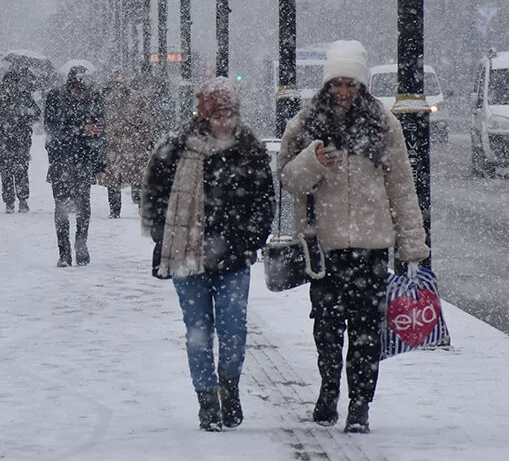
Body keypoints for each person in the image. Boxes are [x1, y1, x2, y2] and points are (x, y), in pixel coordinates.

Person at [277, 40, 429, 434]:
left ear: (361, 85)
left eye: (351, 84)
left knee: (365, 330)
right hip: (324, 247)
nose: (343, 91)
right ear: (327, 84)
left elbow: (401, 186)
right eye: (337, 84)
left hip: (371, 245)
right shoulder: (305, 122)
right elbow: (288, 179)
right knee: (326, 328)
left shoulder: (383, 123)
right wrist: (313, 160)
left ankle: (360, 404)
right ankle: (329, 391)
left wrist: (412, 241)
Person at [140, 78, 274, 431]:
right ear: (204, 115)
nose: (224, 122)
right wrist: (164, 235)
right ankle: (207, 400)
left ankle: (229, 389)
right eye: (217, 115)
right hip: (188, 256)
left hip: (233, 258)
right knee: (197, 332)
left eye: (229, 114)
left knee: (234, 330)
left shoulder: (250, 150)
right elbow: (154, 195)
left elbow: (264, 201)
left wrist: (250, 240)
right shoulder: (176, 148)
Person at [44, 66, 105, 267]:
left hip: (83, 161)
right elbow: (52, 130)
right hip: (61, 160)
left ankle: (81, 246)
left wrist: (100, 165)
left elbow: (98, 134)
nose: (81, 96)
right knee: (61, 207)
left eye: (84, 92)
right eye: (77, 91)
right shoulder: (55, 97)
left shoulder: (95, 99)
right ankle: (64, 252)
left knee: (83, 207)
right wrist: (80, 130)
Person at [0, 61, 41, 213]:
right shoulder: (24, 94)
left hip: (3, 137)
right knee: (21, 169)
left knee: (5, 170)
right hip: (21, 137)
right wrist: (24, 121)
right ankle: (23, 200)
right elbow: (36, 113)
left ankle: (9, 202)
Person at [102, 67, 155, 218]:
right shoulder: (104, 99)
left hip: (133, 146)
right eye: (115, 83)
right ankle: (115, 211)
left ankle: (139, 206)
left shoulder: (138, 99)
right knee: (113, 180)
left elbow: (146, 124)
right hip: (114, 145)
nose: (117, 87)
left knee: (136, 177)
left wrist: (139, 140)